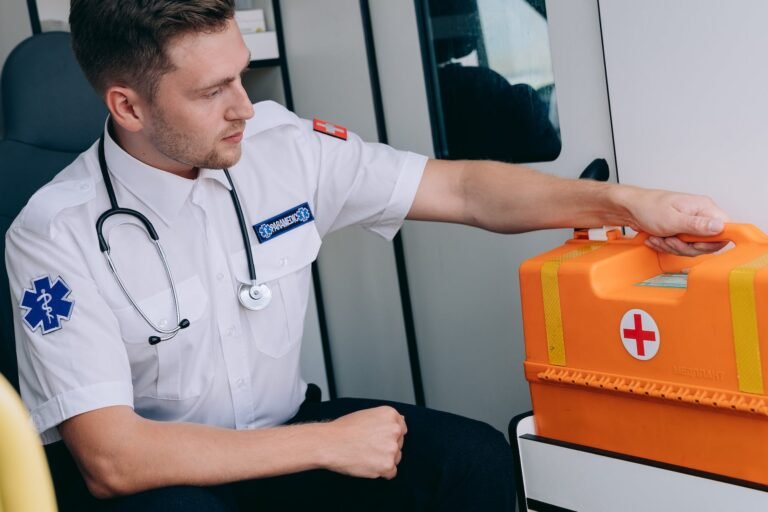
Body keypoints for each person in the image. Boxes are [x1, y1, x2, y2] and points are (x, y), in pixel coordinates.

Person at [4, 1, 728, 511]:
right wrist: (324, 445)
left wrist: (628, 204)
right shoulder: (53, 234)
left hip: (283, 434)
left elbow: (467, 190)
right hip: (161, 480)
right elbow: (112, 459)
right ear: (128, 106)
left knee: (468, 461)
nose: (245, 107)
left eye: (241, 75)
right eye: (213, 91)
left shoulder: (280, 148)